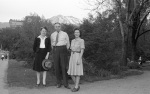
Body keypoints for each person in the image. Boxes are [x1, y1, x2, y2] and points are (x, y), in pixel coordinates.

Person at [51, 22, 70, 89]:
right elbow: (52, 44)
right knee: (56, 67)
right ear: (54, 27)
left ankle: (66, 84)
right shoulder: (52, 34)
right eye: (56, 26)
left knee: (64, 67)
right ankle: (58, 83)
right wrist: (54, 50)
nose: (57, 27)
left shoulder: (65, 34)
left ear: (60, 27)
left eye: (59, 26)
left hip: (63, 49)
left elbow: (68, 43)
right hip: (55, 49)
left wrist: (65, 50)